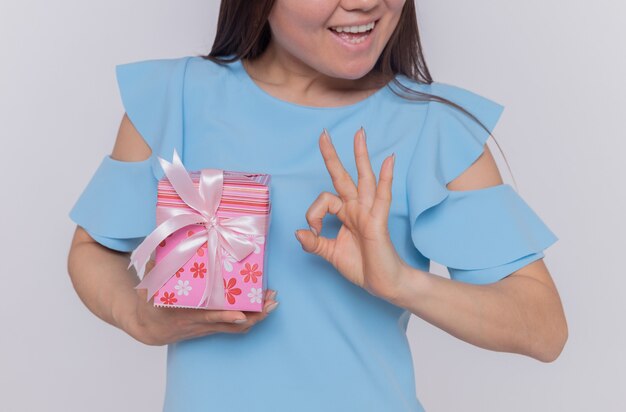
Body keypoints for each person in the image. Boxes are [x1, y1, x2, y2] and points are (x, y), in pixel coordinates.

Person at [66, 1, 568, 410]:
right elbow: (94, 249)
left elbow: (543, 328)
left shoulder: (434, 129)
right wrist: (137, 315)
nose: (364, 3)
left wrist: (402, 283)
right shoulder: (174, 99)